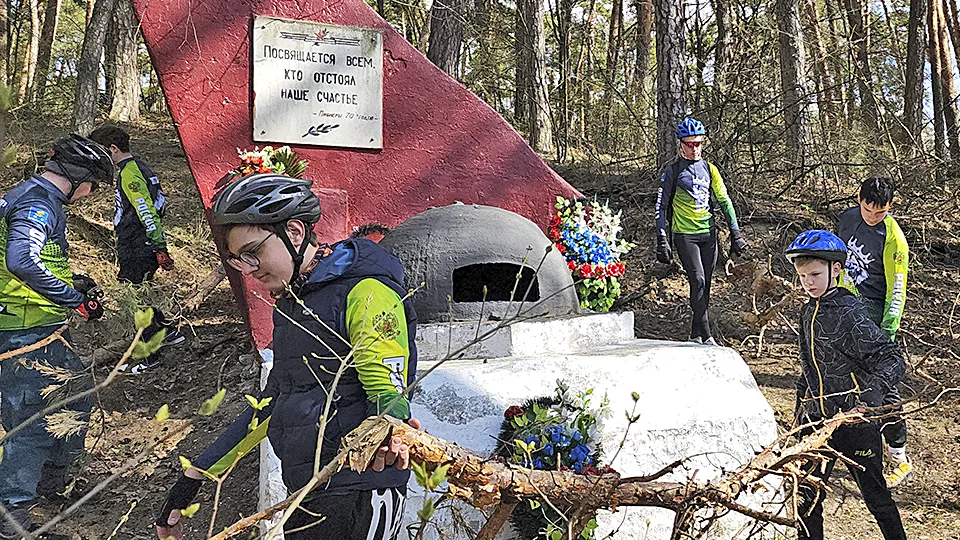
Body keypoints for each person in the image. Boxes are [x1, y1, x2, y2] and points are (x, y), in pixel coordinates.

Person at [155, 174, 419, 540]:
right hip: (308, 487)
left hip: (360, 486)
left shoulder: (364, 289)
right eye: (237, 260)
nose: (247, 269)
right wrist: (197, 474)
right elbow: (274, 399)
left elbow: (388, 391)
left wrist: (392, 431)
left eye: (253, 252)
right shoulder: (294, 303)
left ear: (294, 232)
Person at [0, 134, 112, 537]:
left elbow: (40, 259)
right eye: (94, 184)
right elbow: (22, 261)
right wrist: (72, 299)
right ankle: (11, 526)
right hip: (22, 333)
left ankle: (48, 489)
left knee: (77, 402)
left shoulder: (37, 197)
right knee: (29, 426)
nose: (92, 192)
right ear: (79, 175)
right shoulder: (36, 201)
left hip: (41, 328)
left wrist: (73, 283)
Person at [785, 230, 907, 540]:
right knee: (807, 497)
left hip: (854, 423)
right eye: (802, 276)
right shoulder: (806, 311)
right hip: (816, 422)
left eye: (814, 274)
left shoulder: (850, 312)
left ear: (836, 270)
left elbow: (891, 358)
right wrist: (800, 416)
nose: (808, 282)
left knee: (876, 498)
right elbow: (808, 366)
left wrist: (871, 395)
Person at [88, 126, 183, 374]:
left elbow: (147, 211)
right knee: (143, 291)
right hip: (141, 242)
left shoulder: (130, 173)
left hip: (137, 243)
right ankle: (169, 332)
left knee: (136, 300)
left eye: (100, 152)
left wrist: (157, 245)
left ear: (112, 149)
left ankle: (150, 357)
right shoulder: (141, 168)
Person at [836, 176, 912, 487]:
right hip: (844, 306)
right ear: (859, 200)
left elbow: (897, 288)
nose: (872, 216)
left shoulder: (893, 238)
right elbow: (839, 259)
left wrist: (888, 330)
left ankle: (898, 454)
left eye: (880, 212)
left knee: (880, 388)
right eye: (868, 209)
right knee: (837, 375)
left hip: (874, 316)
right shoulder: (848, 219)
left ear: (890, 207)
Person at [654, 117, 748, 345]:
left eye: (698, 143)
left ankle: (695, 334)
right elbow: (661, 205)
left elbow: (724, 201)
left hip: (709, 234)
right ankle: (706, 334)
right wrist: (662, 239)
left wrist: (735, 233)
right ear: (680, 144)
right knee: (696, 279)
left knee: (705, 284)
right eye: (689, 144)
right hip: (685, 235)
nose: (694, 148)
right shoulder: (673, 171)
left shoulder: (710, 169)